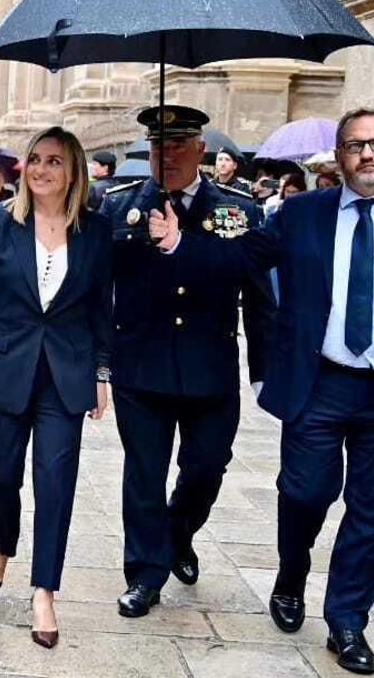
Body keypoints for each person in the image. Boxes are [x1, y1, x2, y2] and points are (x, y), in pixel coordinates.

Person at [155, 107, 374, 675]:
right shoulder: (301, 214)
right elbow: (239, 260)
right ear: (339, 156)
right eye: (355, 146)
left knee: (370, 509)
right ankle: (292, 570)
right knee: (305, 493)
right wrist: (181, 241)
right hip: (319, 381)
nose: (368, 156)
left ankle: (348, 620)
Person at [99, 106, 275, 618]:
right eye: (157, 145)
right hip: (141, 366)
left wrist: (264, 370)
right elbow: (98, 290)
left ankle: (178, 533)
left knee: (205, 469)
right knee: (144, 474)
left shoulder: (237, 210)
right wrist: (99, 364)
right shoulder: (120, 206)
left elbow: (259, 293)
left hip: (209, 364)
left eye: (178, 144)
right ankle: (144, 575)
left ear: (202, 150)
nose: (167, 154)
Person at [0, 128, 111, 648]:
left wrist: (101, 374)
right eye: (36, 160)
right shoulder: (1, 222)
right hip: (3, 373)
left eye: (55, 161)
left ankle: (44, 589)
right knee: (2, 477)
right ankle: (3, 543)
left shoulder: (95, 230)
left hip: (65, 379)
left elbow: (100, 310)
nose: (42, 169)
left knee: (55, 485)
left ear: (74, 173)